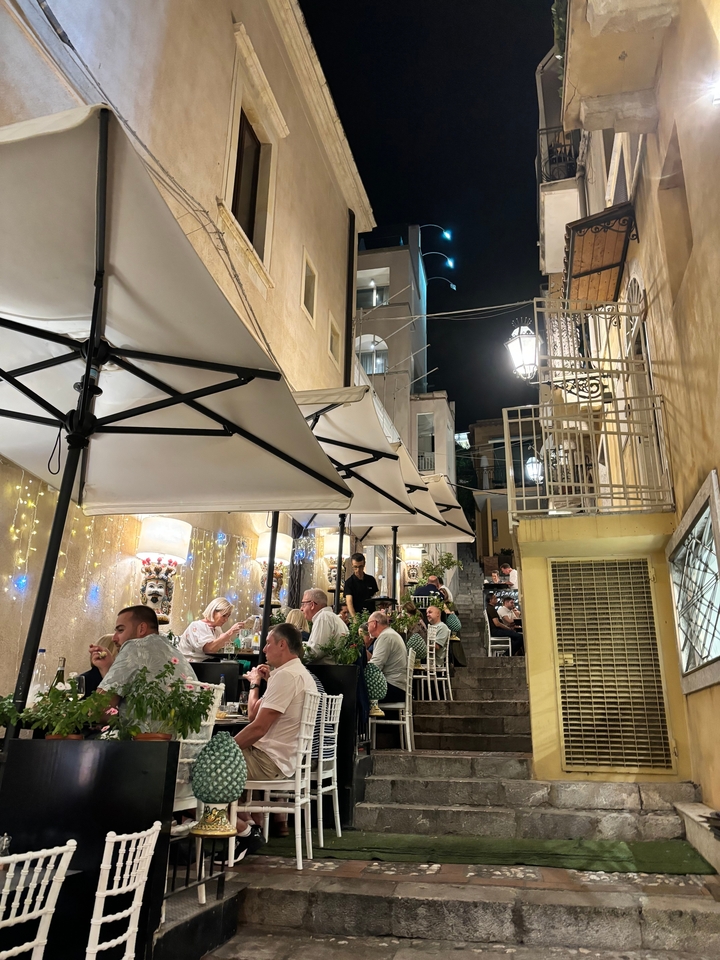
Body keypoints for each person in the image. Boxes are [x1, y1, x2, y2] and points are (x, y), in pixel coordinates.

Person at [234, 623, 317, 841]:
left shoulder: (287, 676)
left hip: (269, 761)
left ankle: (243, 834)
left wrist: (224, 748)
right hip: (285, 760)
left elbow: (258, 727)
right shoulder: (302, 675)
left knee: (207, 767)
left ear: (282, 645)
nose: (263, 649)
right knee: (228, 759)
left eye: (268, 643)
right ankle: (249, 824)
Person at [93, 606, 197, 715]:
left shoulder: (135, 646)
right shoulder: (172, 650)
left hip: (151, 732)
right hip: (189, 730)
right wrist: (108, 668)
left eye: (120, 630)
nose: (114, 638)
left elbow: (99, 710)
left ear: (141, 629)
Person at [177, 597, 244, 663]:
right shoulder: (196, 626)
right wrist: (230, 632)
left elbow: (223, 649)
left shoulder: (217, 629)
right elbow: (209, 649)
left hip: (210, 665)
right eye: (224, 616)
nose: (226, 620)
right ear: (213, 612)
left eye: (228, 616)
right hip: (193, 666)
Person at [365, 611, 408, 702]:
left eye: (368, 624)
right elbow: (377, 661)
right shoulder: (390, 634)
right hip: (398, 686)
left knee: (358, 692)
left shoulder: (385, 637)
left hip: (394, 688)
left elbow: (375, 668)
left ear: (374, 624)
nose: (367, 627)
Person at [301, 588, 348, 661]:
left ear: (312, 605)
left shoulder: (323, 617)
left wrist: (293, 656)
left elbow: (315, 652)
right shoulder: (330, 617)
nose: (301, 608)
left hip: (323, 670)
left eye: (303, 604)